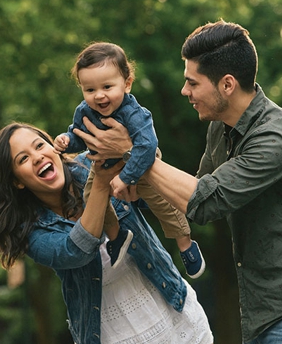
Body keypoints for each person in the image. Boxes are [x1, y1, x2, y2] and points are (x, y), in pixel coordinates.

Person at [72, 20, 282, 344]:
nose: (184, 91)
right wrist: (139, 191)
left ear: (227, 84)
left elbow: (208, 199)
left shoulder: (278, 135)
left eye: (193, 82)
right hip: (259, 312)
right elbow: (191, 199)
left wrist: (134, 150)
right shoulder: (221, 131)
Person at [0, 121, 220, 344]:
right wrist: (102, 183)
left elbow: (148, 163)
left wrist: (136, 177)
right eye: (23, 159)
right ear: (17, 181)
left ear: (55, 148)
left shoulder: (91, 162)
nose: (38, 157)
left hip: (170, 300)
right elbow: (77, 250)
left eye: (40, 145)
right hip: (114, 343)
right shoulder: (33, 233)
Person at [54, 41, 205, 277]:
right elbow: (78, 134)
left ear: (127, 83)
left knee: (163, 201)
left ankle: (185, 243)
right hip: (105, 166)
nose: (99, 96)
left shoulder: (133, 113)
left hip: (141, 163)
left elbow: (147, 146)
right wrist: (65, 140)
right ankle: (116, 235)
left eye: (107, 86)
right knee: (90, 197)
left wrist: (127, 177)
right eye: (90, 90)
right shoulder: (84, 111)